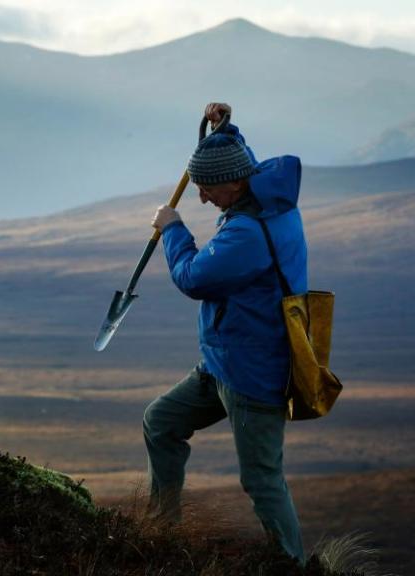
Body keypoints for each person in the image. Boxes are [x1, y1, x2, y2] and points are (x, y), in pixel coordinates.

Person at [144, 102, 306, 562]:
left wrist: (173, 230)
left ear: (234, 182)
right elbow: (236, 158)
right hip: (223, 360)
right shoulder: (258, 190)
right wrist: (224, 128)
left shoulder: (249, 234)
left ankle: (293, 564)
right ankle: (161, 531)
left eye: (207, 188)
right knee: (161, 422)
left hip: (253, 371)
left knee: (261, 478)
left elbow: (194, 278)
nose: (201, 198)